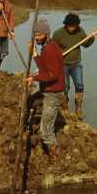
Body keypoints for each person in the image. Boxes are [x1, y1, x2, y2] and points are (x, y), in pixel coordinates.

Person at [25, 19, 64, 155]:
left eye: (39, 35)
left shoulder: (51, 49)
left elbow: (52, 74)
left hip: (53, 92)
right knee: (30, 100)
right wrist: (35, 53)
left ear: (47, 34)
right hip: (47, 89)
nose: (37, 38)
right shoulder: (47, 47)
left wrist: (34, 78)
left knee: (45, 131)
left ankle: (56, 155)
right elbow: (43, 68)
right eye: (35, 34)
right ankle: (28, 123)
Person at [53, 13, 95, 120]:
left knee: (80, 85)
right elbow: (52, 49)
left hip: (76, 63)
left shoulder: (80, 31)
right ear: (66, 24)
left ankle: (78, 109)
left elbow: (86, 44)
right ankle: (65, 108)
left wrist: (92, 37)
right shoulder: (58, 34)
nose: (72, 28)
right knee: (65, 87)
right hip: (62, 64)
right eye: (70, 26)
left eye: (74, 26)